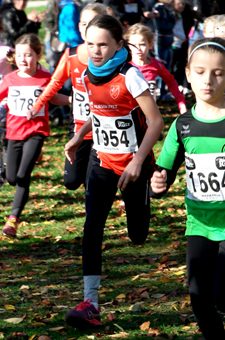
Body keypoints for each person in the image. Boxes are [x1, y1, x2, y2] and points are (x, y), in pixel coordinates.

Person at [63, 14, 164, 329]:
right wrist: (79, 137)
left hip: (134, 167)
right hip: (102, 161)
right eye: (90, 44)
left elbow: (157, 122)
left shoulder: (129, 76)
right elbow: (98, 112)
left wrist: (137, 162)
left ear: (120, 44)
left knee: (137, 234)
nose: (95, 51)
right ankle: (90, 301)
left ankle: (141, 204)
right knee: (92, 225)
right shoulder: (89, 73)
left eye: (103, 44)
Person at [150, 37, 225, 340]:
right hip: (199, 225)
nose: (208, 79)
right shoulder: (182, 125)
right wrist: (157, 183)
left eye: (218, 72)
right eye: (201, 71)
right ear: (188, 74)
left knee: (222, 296)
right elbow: (163, 172)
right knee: (199, 299)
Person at [27, 3, 107, 191]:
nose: (88, 28)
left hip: (103, 128)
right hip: (78, 126)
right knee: (71, 182)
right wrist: (37, 105)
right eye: (84, 23)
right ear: (79, 27)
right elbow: (55, 83)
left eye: (94, 23)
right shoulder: (70, 55)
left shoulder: (112, 57)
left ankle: (94, 218)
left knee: (92, 183)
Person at [0, 33, 70, 238]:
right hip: (13, 133)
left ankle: (13, 219)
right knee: (12, 178)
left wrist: (72, 99)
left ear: (38, 55)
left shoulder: (45, 78)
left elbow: (54, 97)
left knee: (23, 175)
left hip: (36, 132)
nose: (23, 59)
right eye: (20, 55)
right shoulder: (10, 79)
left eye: (28, 55)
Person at [124, 23, 187, 113]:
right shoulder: (125, 68)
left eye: (142, 44)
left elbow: (171, 81)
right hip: (131, 116)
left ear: (150, 45)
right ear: (129, 46)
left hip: (151, 116)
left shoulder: (156, 65)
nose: (138, 48)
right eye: (134, 45)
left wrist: (181, 104)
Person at [152, 0, 176, 100]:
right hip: (160, 42)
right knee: (160, 67)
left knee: (167, 69)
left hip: (168, 41)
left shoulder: (169, 9)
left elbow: (172, 23)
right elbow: (162, 26)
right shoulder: (158, 9)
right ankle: (158, 92)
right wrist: (170, 23)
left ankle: (164, 92)